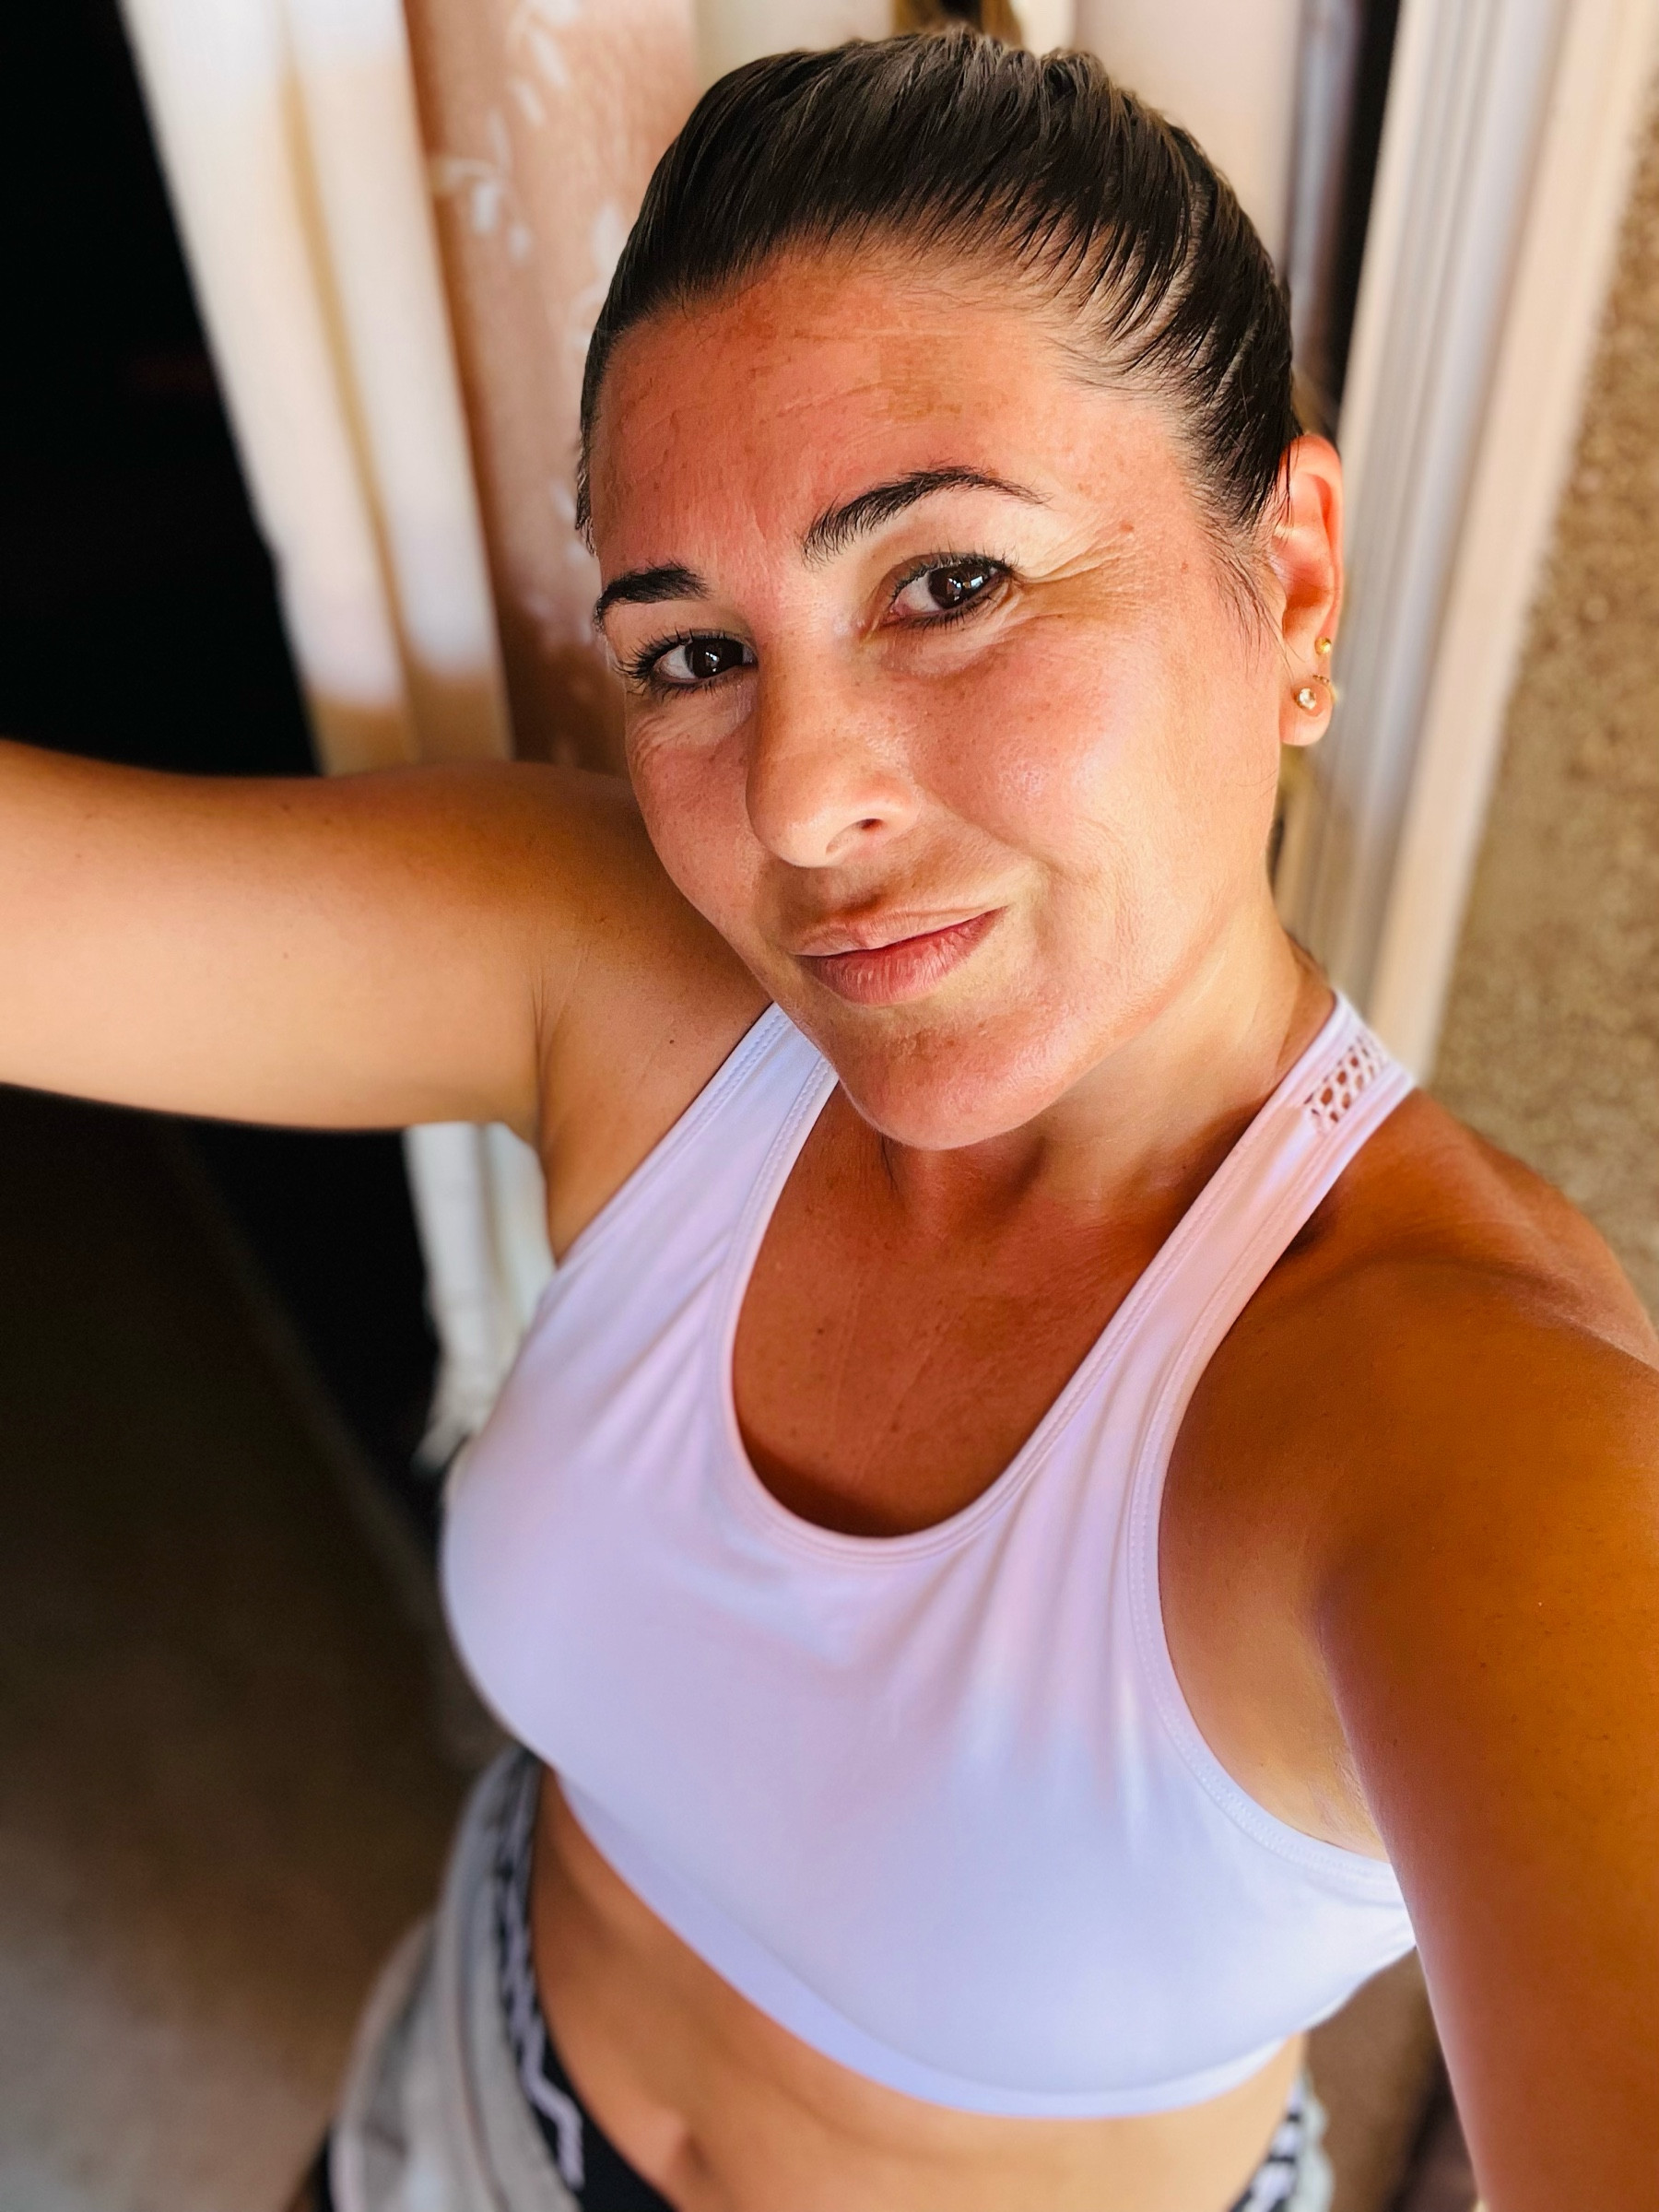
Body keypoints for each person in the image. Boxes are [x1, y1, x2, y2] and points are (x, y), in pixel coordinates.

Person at [5, 30, 1655, 2212]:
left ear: (1295, 575)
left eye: (949, 583)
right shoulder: (626, 980)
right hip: (454, 2115)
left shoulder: (1474, 1435)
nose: (798, 805)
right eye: (693, 657)